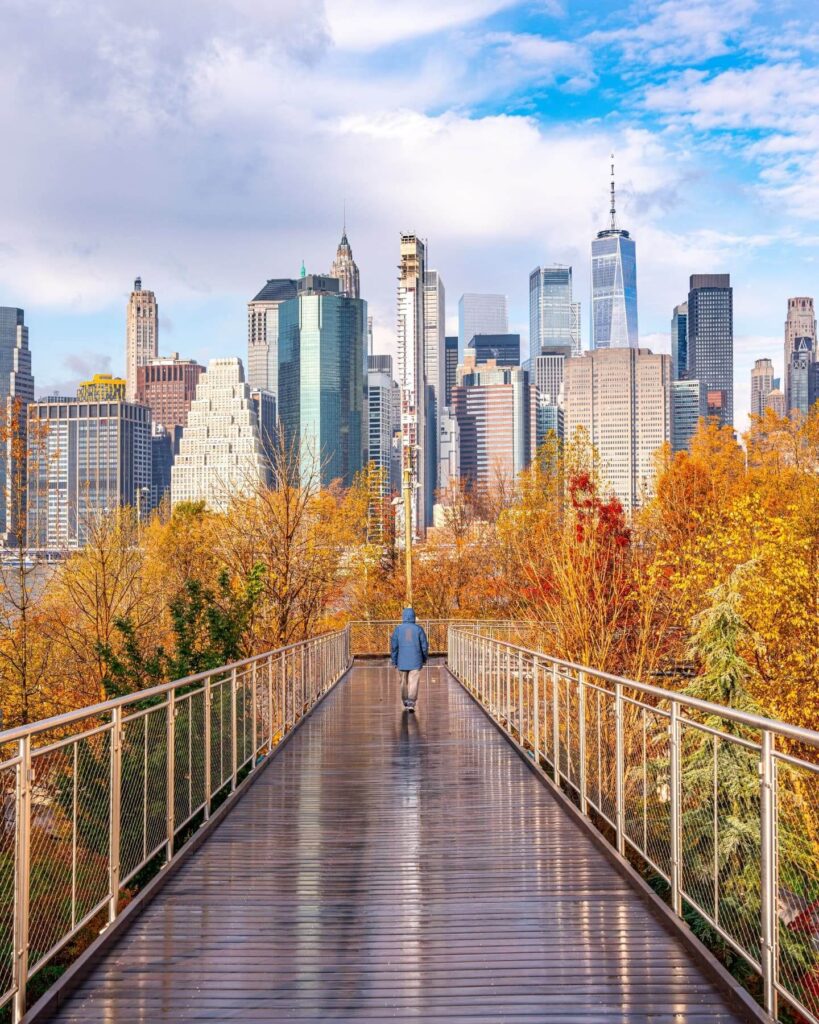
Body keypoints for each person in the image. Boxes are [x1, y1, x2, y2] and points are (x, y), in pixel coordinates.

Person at [390, 608, 429, 712]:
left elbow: (394, 647)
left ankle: (405, 700)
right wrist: (424, 658)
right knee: (414, 681)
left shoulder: (398, 629)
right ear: (413, 616)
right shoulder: (419, 629)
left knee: (403, 682)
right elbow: (424, 646)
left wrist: (394, 660)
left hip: (401, 660)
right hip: (416, 660)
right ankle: (411, 702)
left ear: (403, 616)